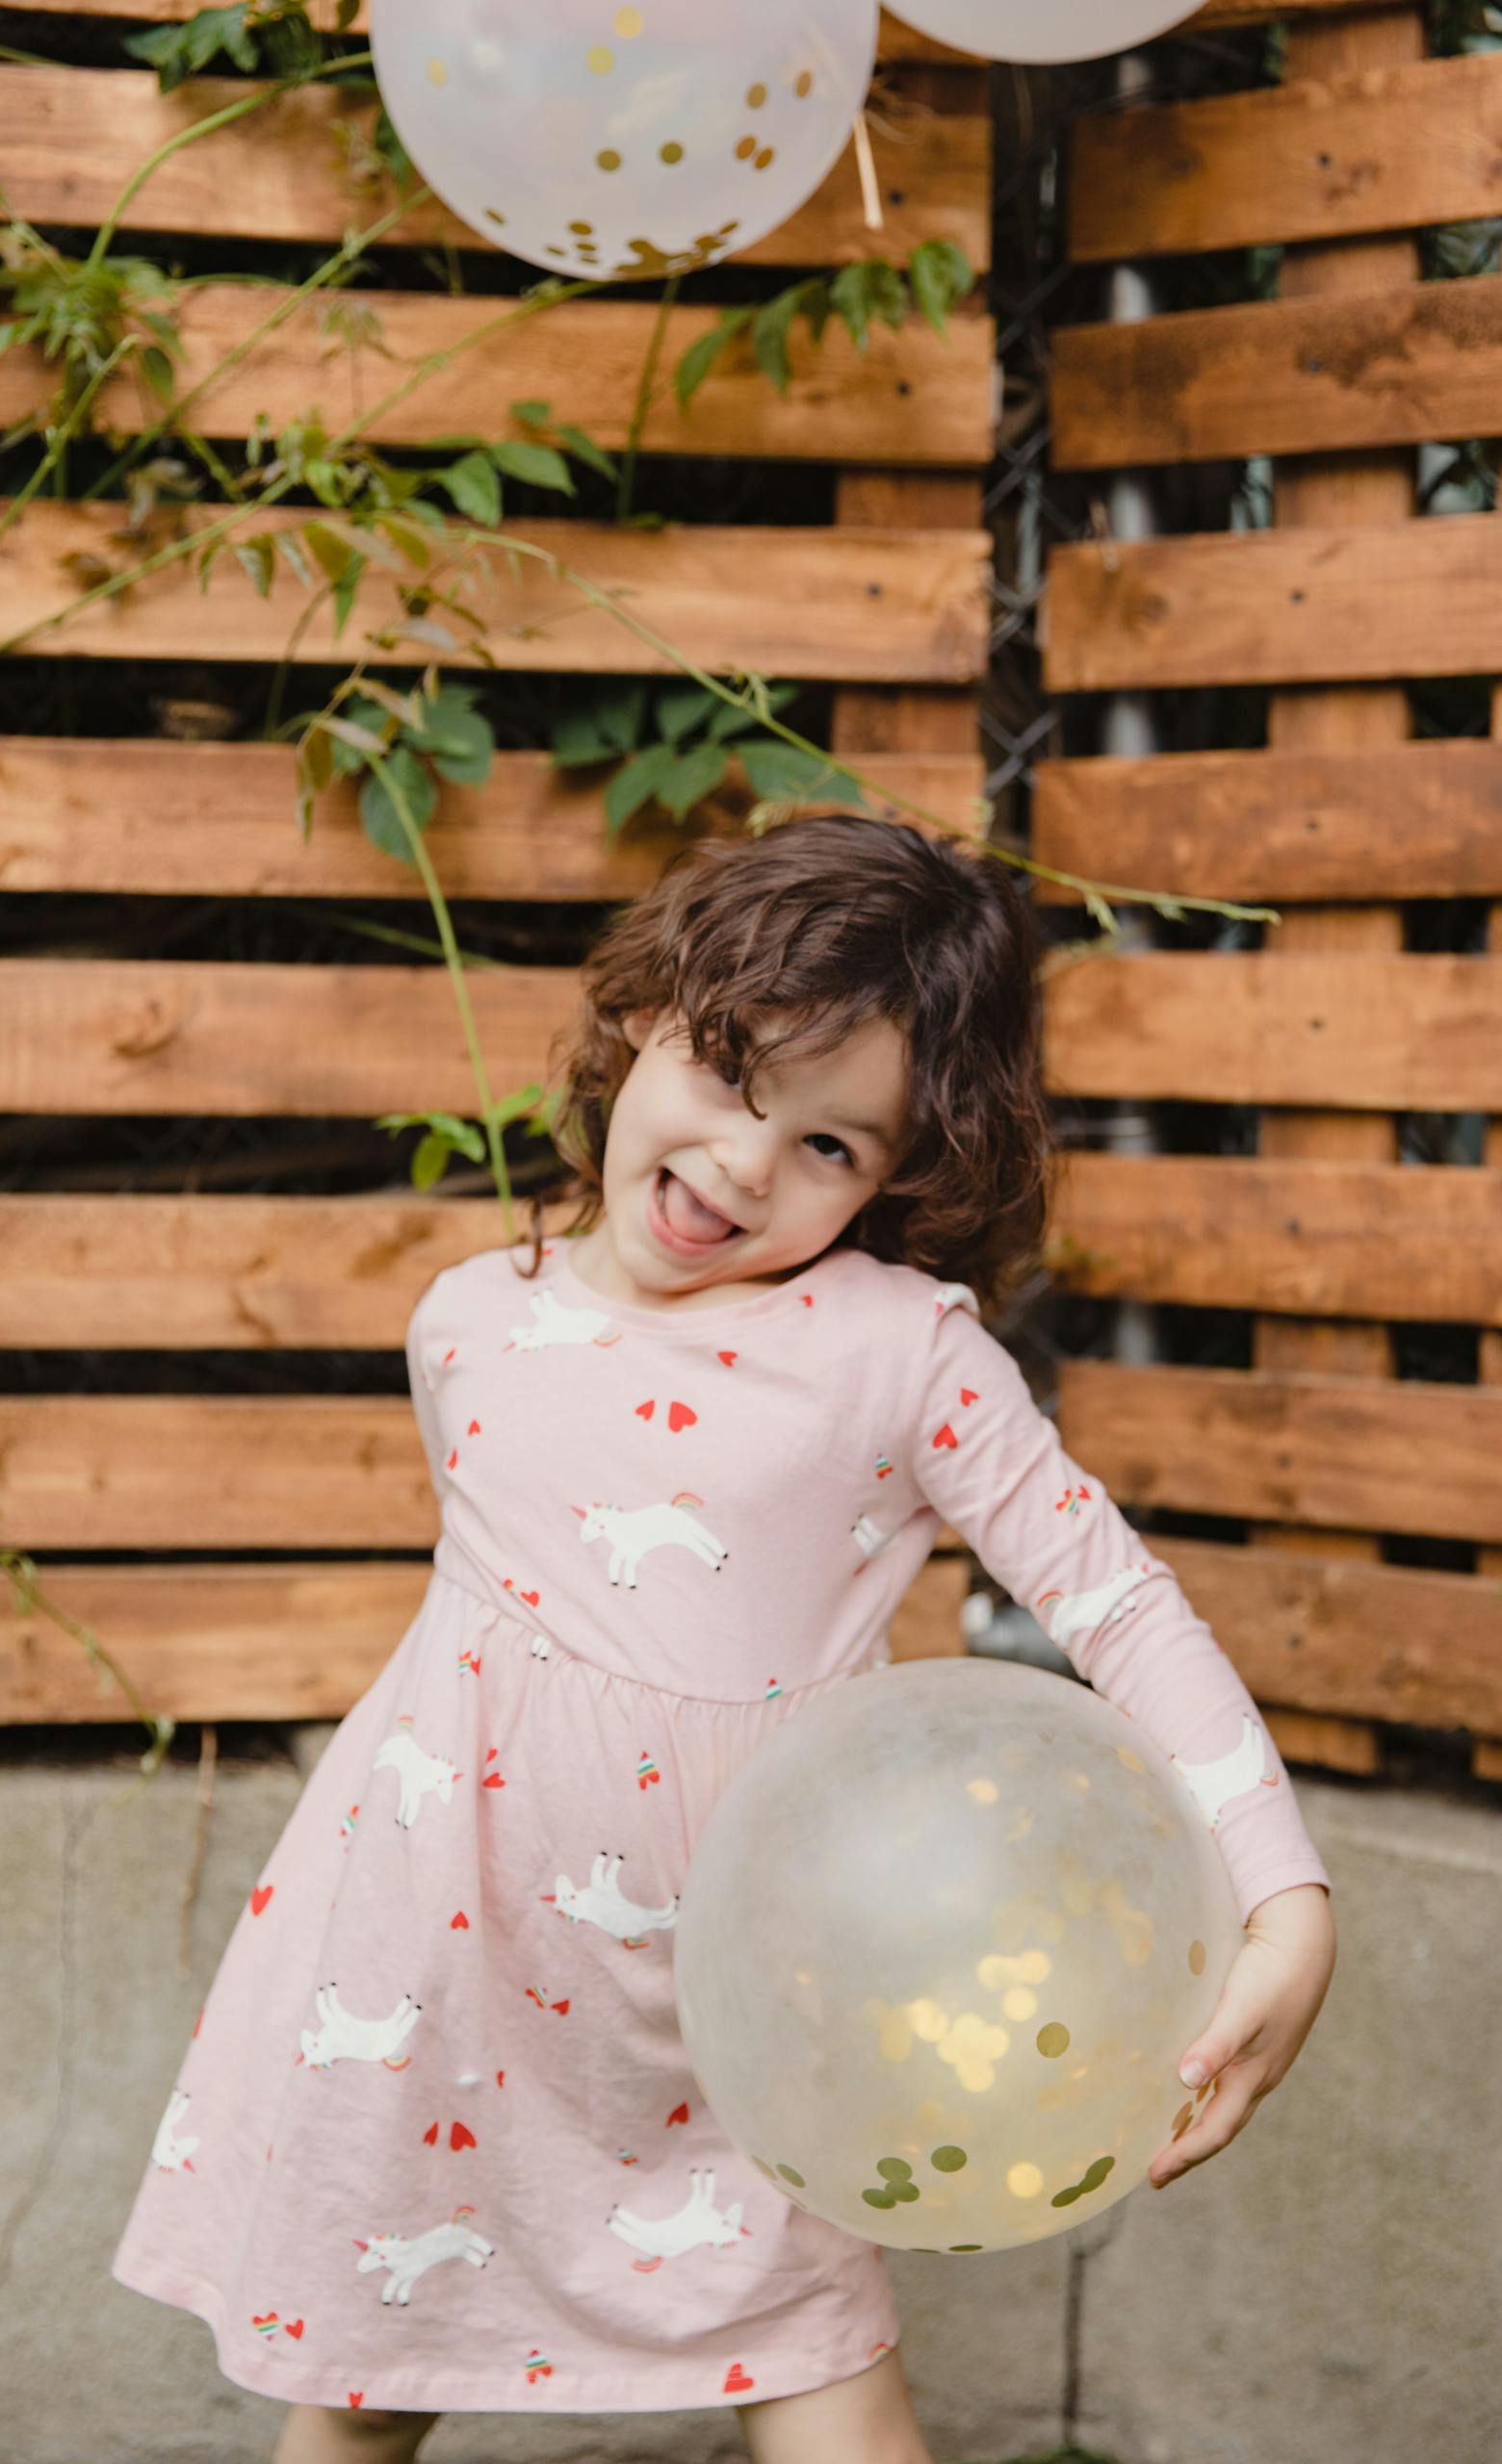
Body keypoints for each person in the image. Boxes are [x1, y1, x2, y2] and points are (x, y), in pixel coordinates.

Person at [110, 811, 1335, 2464]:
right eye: (729, 1071)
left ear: (903, 1173)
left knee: (821, 2368)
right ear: (637, 1023)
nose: (750, 1164)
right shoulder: (468, 1324)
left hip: (764, 1984)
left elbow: (1113, 1599)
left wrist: (1283, 1890)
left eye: (832, 1145)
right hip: (445, 1965)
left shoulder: (900, 1355)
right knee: (364, 2377)